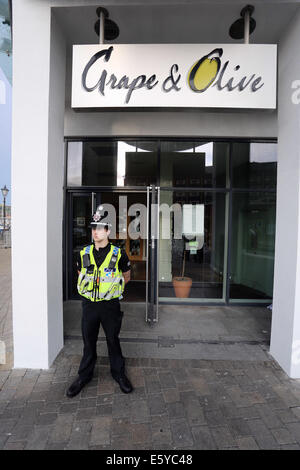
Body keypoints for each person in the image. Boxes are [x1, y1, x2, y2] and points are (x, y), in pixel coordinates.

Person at [66, 206, 133, 398]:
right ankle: (84, 376)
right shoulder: (82, 253)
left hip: (110, 306)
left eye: (100, 227)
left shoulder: (119, 254)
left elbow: (126, 277)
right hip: (89, 306)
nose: (96, 231)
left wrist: (108, 291)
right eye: (93, 227)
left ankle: (119, 374)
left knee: (113, 340)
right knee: (89, 342)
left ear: (108, 231)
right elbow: (81, 275)